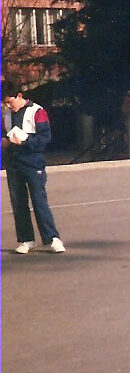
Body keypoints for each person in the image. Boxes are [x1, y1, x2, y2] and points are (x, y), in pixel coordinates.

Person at [2, 83, 65, 254]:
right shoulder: (7, 114)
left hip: (32, 161)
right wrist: (5, 142)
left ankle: (52, 238)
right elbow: (4, 133)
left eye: (10, 102)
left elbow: (45, 138)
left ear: (20, 96)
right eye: (5, 104)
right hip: (14, 163)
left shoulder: (37, 111)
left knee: (39, 201)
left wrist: (24, 143)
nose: (8, 106)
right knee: (18, 203)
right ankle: (26, 239)